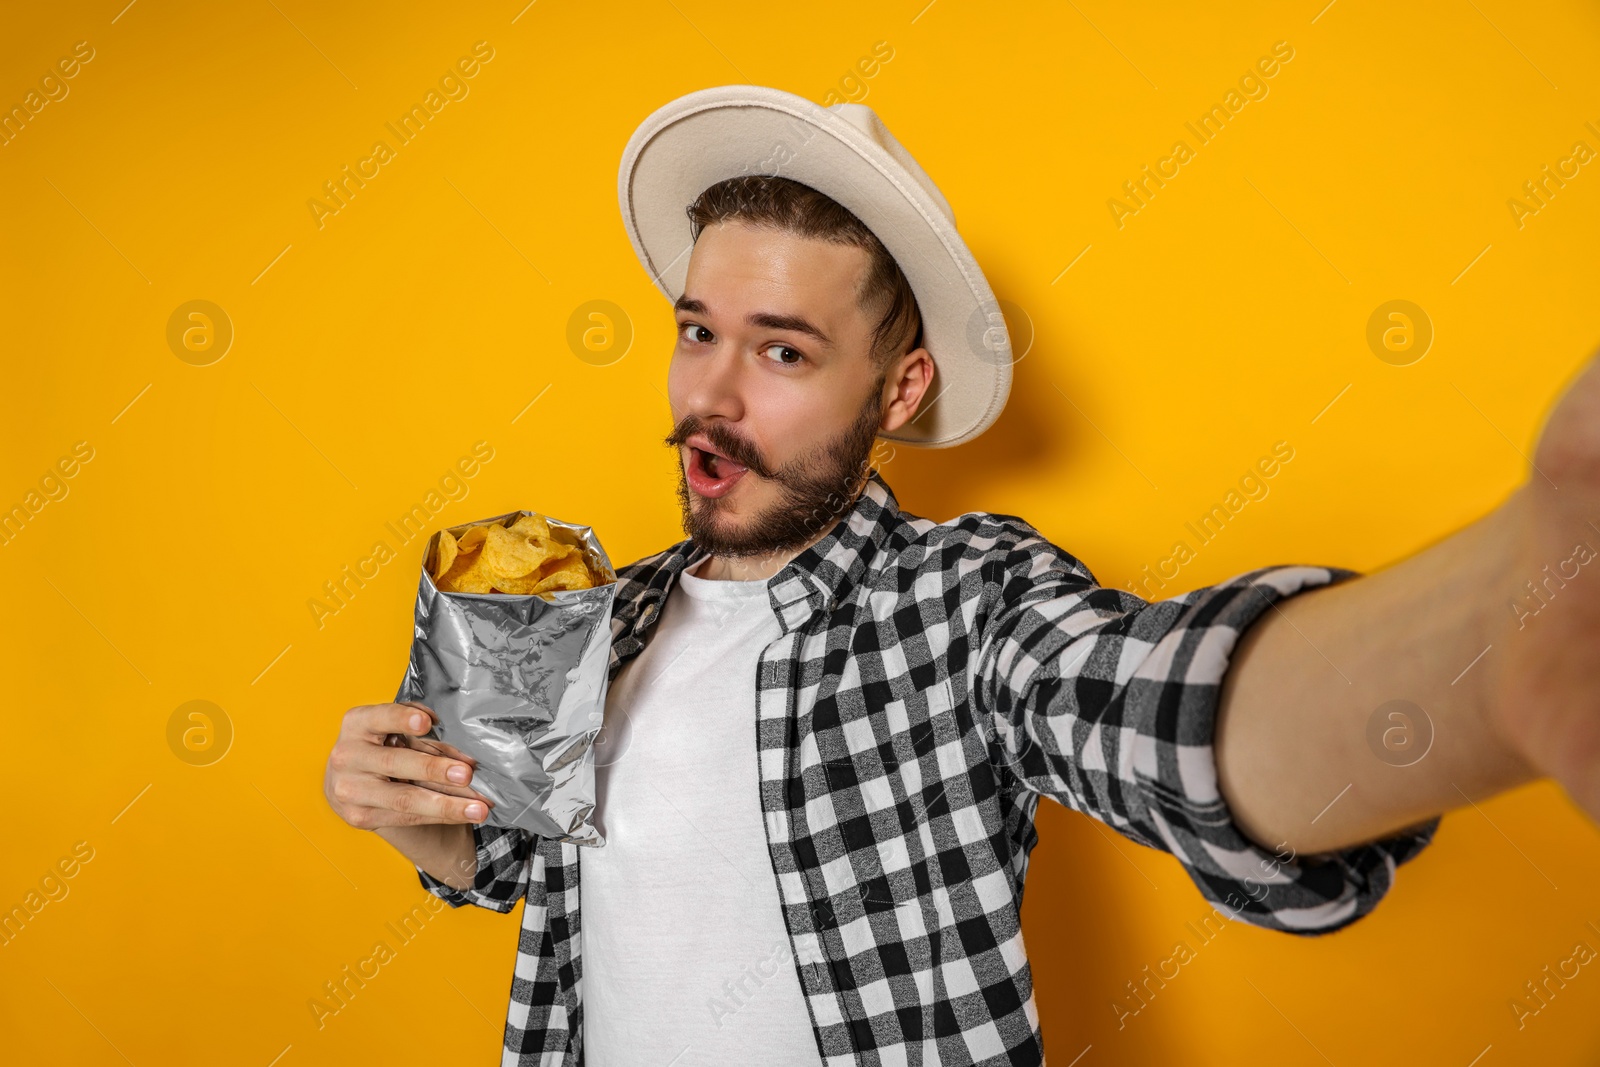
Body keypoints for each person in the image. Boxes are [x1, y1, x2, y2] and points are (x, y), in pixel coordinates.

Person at [323, 86, 1600, 1066]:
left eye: (782, 351)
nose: (706, 395)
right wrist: (432, 832)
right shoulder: (594, 617)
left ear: (901, 387)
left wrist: (1505, 630)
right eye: (698, 330)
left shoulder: (965, 599)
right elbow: (535, 876)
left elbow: (1154, 710)